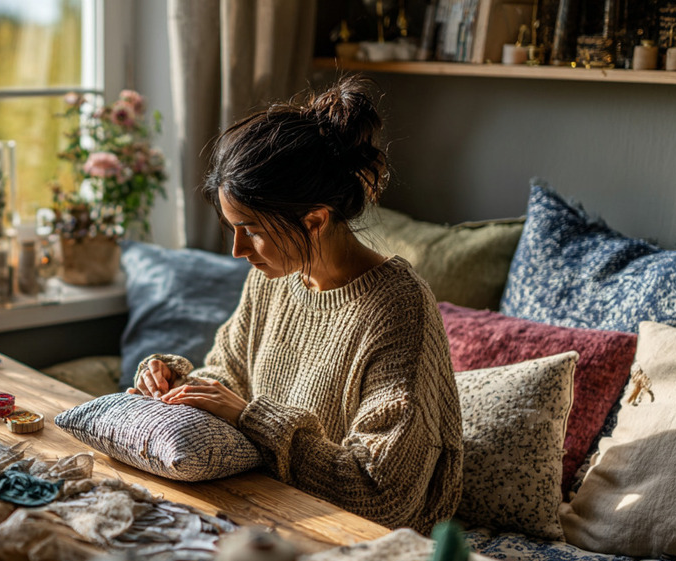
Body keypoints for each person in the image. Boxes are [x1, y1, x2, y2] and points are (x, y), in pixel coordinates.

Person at [129, 76, 462, 534]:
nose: (238, 251)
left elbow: (381, 495)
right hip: (270, 507)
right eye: (233, 228)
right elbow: (228, 377)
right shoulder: (274, 279)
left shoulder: (399, 309)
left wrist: (249, 417)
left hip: (364, 542)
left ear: (315, 220)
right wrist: (177, 383)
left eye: (253, 230)